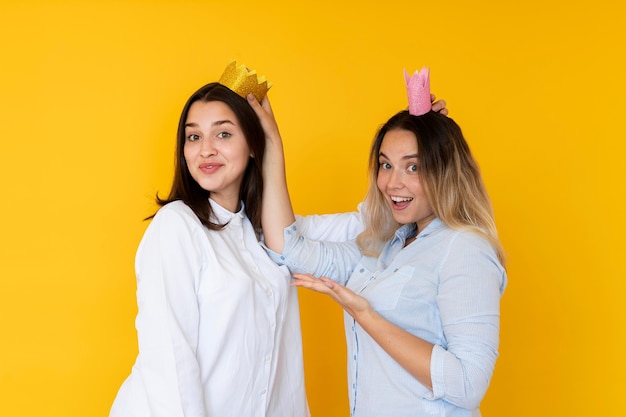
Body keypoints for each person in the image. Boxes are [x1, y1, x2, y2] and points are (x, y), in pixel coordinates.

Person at [249, 68, 507, 417]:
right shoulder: (384, 247)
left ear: (445, 171)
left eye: (413, 167)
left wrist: (364, 314)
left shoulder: (465, 249)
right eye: (386, 165)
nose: (392, 183)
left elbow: (468, 383)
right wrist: (271, 144)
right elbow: (289, 249)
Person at [109, 63, 310, 417]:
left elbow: (364, 227)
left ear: (253, 144)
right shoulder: (176, 227)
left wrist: (426, 139)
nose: (205, 150)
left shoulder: (264, 232)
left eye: (223, 134)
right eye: (194, 136)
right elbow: (170, 359)